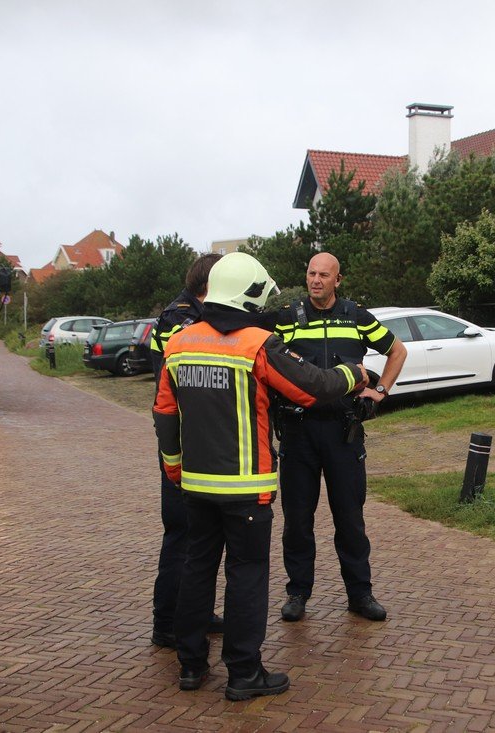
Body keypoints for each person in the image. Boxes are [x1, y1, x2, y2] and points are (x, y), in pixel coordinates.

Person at [152, 252, 369, 700]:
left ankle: (191, 667)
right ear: (250, 294)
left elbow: (164, 415)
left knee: (197, 570)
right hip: (246, 489)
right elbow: (313, 388)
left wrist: (174, 466)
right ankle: (244, 673)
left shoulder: (181, 342)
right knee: (246, 575)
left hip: (195, 483)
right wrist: (354, 373)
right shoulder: (257, 343)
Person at [274, 252, 408, 623]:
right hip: (299, 432)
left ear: (338, 280)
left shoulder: (356, 317)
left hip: (343, 433)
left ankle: (360, 594)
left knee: (350, 518)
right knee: (297, 520)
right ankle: (298, 592)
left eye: (324, 275)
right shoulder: (288, 319)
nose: (316, 280)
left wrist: (380, 390)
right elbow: (266, 360)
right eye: (311, 273)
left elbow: (398, 350)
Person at [148, 253, 223, 649]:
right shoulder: (178, 317)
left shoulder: (196, 311)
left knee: (202, 536)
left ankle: (197, 612)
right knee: (181, 532)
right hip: (180, 439)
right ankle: (166, 624)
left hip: (198, 437)